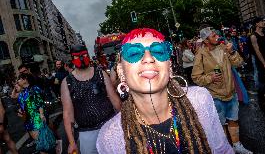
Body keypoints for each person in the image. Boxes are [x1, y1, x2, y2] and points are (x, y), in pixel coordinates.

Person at [97, 28, 233, 153]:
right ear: (121, 71)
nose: (149, 58)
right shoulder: (110, 137)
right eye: (133, 53)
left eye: (159, 51)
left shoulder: (200, 101)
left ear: (169, 67)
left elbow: (224, 150)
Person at [191, 26, 253, 154]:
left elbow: (239, 63)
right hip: (215, 96)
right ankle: (225, 148)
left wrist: (232, 52)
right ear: (206, 40)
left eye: (216, 34)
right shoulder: (200, 55)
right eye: (213, 36)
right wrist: (210, 78)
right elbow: (196, 77)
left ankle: (237, 145)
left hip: (231, 92)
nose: (217, 37)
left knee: (233, 120)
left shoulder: (224, 48)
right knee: (220, 124)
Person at [61, 44, 121, 154]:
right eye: (77, 56)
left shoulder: (100, 73)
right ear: (72, 58)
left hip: (110, 126)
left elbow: (114, 99)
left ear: (88, 54)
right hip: (86, 133)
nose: (81, 59)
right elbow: (67, 113)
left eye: (84, 55)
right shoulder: (67, 82)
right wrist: (71, 142)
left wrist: (124, 119)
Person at [17, 73, 50, 154]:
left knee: (41, 145)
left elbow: (40, 103)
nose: (17, 81)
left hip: (36, 119)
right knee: (38, 142)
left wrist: (41, 114)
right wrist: (21, 111)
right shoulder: (23, 92)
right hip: (28, 120)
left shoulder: (34, 89)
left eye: (19, 79)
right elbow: (23, 105)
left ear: (24, 79)